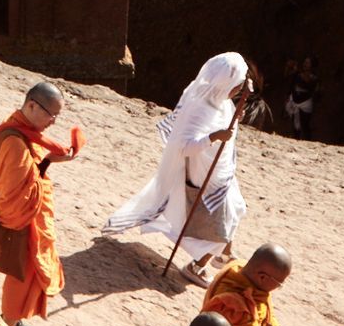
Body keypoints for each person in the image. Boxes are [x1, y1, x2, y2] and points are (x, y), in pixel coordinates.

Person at [103, 52, 253, 286]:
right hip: (203, 175)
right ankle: (197, 266)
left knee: (236, 207)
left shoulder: (220, 99)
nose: (239, 89)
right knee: (218, 226)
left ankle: (222, 254)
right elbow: (183, 145)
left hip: (221, 173)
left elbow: (223, 122)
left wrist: (235, 117)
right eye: (237, 85)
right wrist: (214, 137)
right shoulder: (200, 107)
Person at [0, 81, 76, 326]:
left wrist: (48, 160)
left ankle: (12, 318)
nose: (53, 122)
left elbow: (31, 174)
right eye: (51, 115)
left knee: (27, 273)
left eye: (57, 116)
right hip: (21, 219)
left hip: (30, 216)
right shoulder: (15, 142)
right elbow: (12, 194)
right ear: (30, 105)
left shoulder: (23, 130)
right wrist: (47, 162)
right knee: (24, 273)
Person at [282, 58, 317, 139]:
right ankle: (296, 138)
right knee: (295, 122)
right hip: (295, 101)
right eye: (305, 62)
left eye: (308, 63)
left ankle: (307, 140)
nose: (305, 64)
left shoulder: (314, 78)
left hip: (305, 103)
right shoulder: (297, 75)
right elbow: (291, 85)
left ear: (312, 65)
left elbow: (311, 86)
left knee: (305, 123)